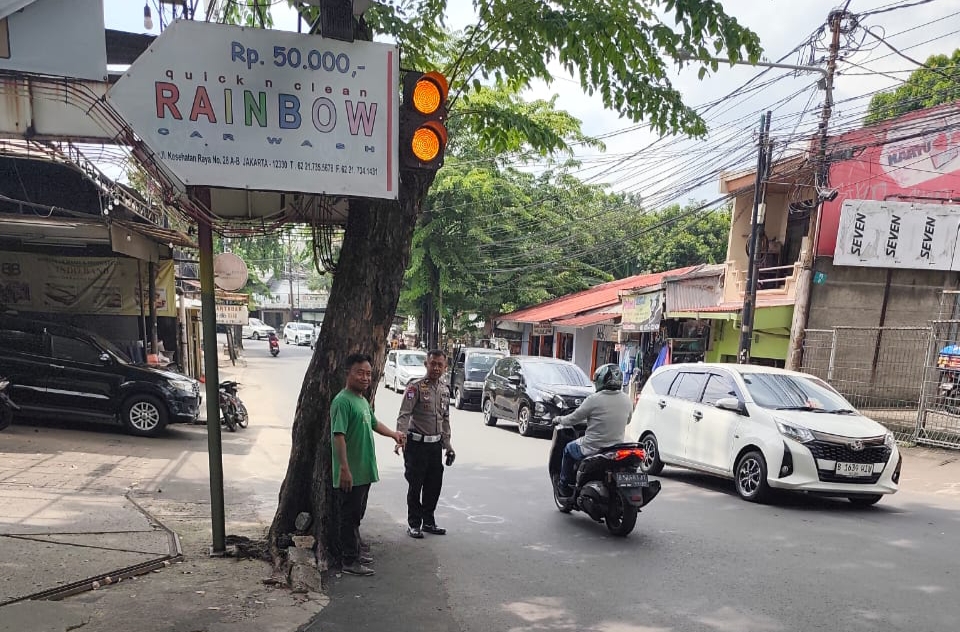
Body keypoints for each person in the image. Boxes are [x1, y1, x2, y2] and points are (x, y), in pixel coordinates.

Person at [331, 352, 405, 576]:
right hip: (350, 472)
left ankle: (355, 551)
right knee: (349, 517)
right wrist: (344, 468)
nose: (364, 378)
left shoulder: (362, 400)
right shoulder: (342, 401)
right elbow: (338, 436)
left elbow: (373, 422)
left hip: (364, 471)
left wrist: (393, 434)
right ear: (348, 373)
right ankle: (349, 560)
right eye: (359, 373)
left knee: (357, 515)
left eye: (368, 374)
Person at [396, 349, 455, 539]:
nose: (436, 368)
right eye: (433, 363)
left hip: (435, 445)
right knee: (415, 484)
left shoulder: (445, 390)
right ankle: (414, 524)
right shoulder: (415, 388)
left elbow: (445, 419)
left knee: (433, 484)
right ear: (426, 365)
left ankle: (429, 521)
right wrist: (401, 437)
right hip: (416, 445)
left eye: (440, 364)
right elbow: (404, 414)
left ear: (445, 367)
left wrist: (448, 445)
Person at [556, 364, 633, 497]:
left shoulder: (594, 399)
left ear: (601, 380)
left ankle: (564, 486)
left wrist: (559, 419)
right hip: (616, 448)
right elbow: (628, 420)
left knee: (568, 449)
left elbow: (573, 419)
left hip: (593, 446)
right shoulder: (627, 399)